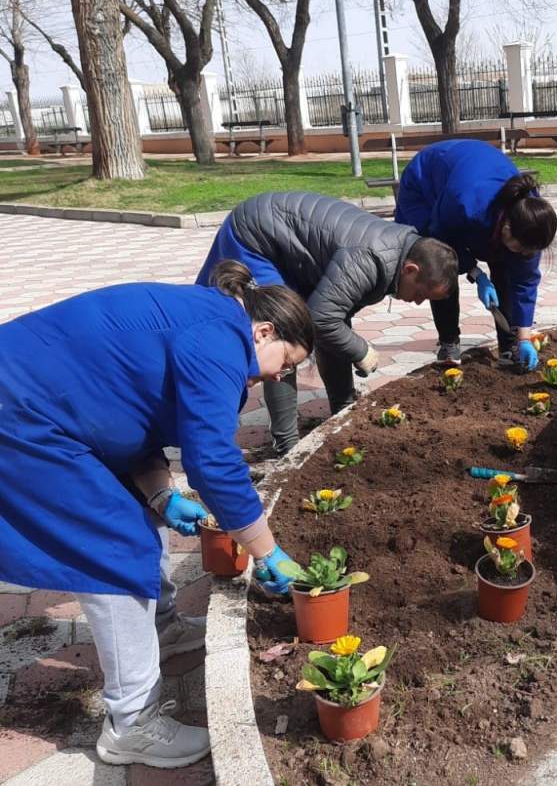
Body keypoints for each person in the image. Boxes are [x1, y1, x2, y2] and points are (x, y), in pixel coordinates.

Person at [0, 260, 306, 769]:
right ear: (264, 330)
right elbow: (212, 462)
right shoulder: (219, 341)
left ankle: (160, 628)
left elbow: (125, 409)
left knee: (135, 518)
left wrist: (160, 493)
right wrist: (265, 550)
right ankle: (131, 725)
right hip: (19, 412)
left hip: (43, 403)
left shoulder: (212, 321)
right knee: (113, 550)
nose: (280, 375)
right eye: (287, 361)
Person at [197, 192, 459, 456]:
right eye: (422, 294)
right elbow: (321, 319)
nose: (417, 302)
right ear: (410, 270)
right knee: (284, 335)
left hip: (293, 249)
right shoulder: (369, 259)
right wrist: (360, 350)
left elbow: (334, 319)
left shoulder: (395, 254)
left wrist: (344, 408)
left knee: (324, 325)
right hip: (258, 238)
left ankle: (341, 411)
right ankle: (287, 445)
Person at [394, 139, 557, 370]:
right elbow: (439, 236)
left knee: (506, 269)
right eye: (521, 248)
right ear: (507, 228)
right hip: (427, 185)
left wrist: (524, 337)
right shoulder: (465, 204)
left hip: (475, 174)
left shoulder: (531, 219)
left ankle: (510, 346)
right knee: (441, 268)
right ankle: (449, 342)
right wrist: (476, 273)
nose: (524, 254)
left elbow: (525, 281)